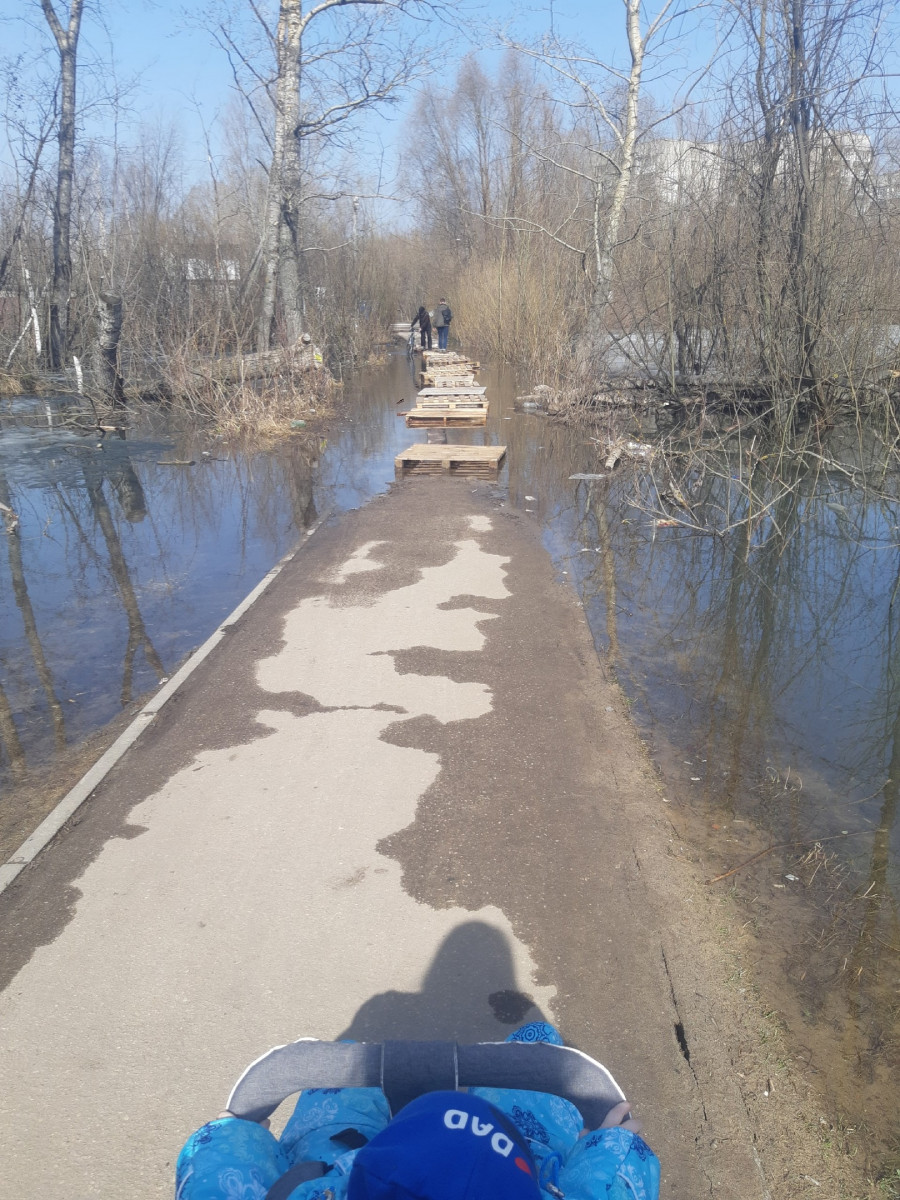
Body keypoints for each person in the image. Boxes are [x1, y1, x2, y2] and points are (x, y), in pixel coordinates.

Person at [175, 1023, 660, 1200]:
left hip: (341, 1168)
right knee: (538, 1041)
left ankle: (384, 1085)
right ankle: (495, 1078)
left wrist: (235, 1133)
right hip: (527, 1161)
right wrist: (613, 1145)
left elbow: (214, 1179)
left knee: (339, 1072)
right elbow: (609, 1185)